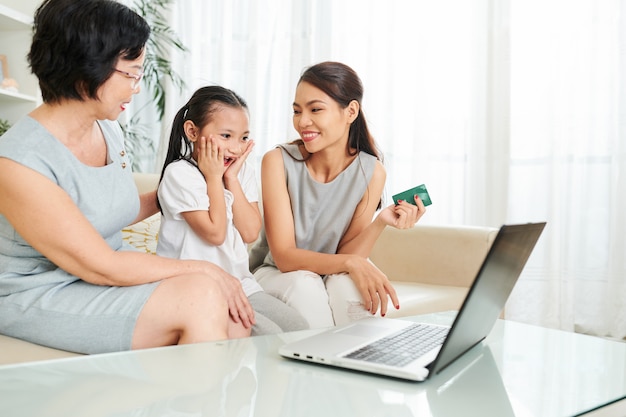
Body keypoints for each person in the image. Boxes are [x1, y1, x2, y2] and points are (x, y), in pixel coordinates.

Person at [0, 0, 254, 355]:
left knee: (233, 315)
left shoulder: (107, 130)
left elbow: (104, 210)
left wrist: (186, 192)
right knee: (202, 294)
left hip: (100, 271)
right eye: (131, 74)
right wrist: (211, 271)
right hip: (40, 291)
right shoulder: (18, 162)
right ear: (87, 66)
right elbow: (102, 266)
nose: (136, 88)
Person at [250, 61, 426, 328]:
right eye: (297, 111)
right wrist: (353, 263)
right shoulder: (277, 161)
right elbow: (285, 257)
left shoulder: (372, 172)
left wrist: (381, 221)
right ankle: (320, 366)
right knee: (306, 285)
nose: (302, 121)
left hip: (328, 275)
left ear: (351, 111)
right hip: (276, 273)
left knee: (350, 289)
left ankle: (364, 364)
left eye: (315, 109)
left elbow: (348, 253)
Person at [156, 86, 308, 335]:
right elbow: (215, 233)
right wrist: (215, 179)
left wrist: (232, 180)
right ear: (193, 131)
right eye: (226, 136)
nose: (236, 148)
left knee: (298, 329)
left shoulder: (239, 172)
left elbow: (249, 232)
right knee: (270, 336)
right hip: (194, 287)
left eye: (243, 138)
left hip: (238, 283)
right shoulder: (180, 174)